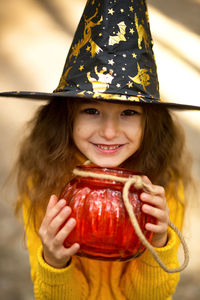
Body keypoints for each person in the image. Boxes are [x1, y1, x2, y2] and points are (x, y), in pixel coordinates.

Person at [1, 0, 199, 299]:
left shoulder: (161, 188)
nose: (109, 132)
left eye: (129, 113)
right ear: (66, 117)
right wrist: (54, 260)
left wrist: (158, 241)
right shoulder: (45, 184)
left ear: (151, 123)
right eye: (91, 110)